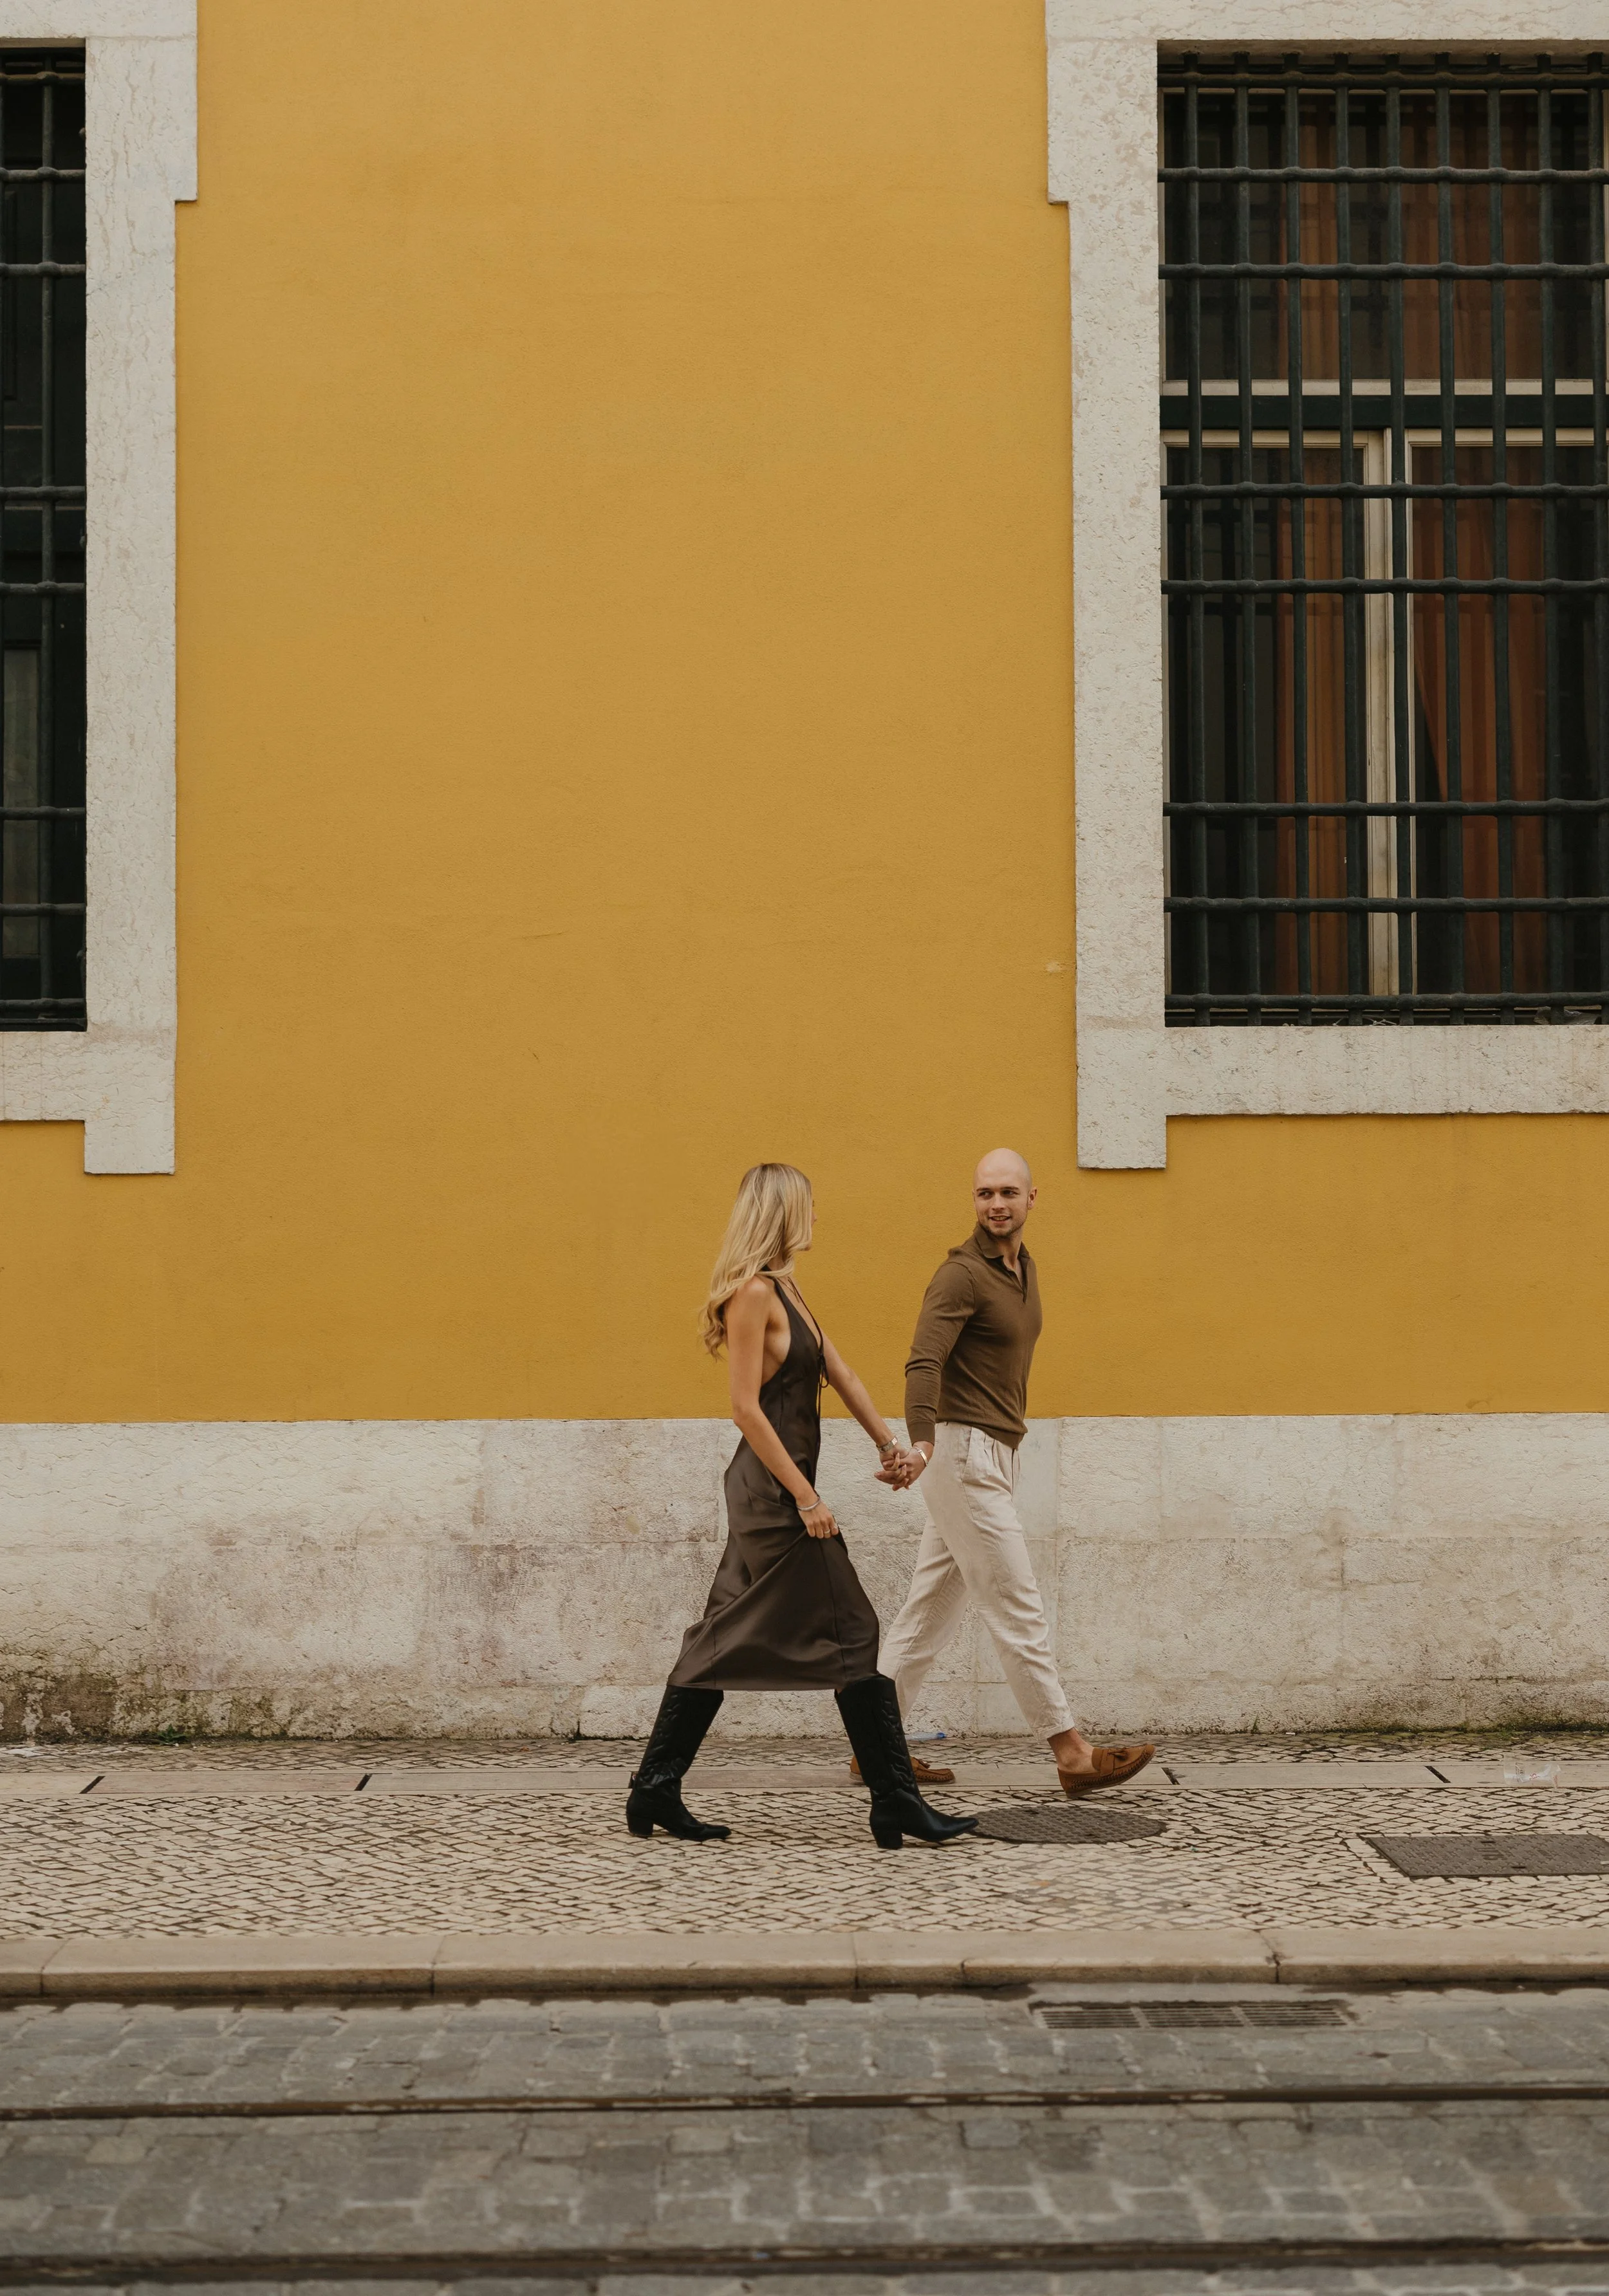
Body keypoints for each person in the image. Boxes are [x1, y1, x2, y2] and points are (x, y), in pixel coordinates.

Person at [627, 1162, 978, 1852]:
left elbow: (837, 1370)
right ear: (784, 1212)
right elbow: (745, 1409)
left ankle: (655, 1787)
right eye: (809, 1208)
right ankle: (895, 1801)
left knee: (716, 1638)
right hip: (772, 1497)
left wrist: (891, 1445)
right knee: (854, 1630)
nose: (817, 1218)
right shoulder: (752, 1294)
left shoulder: (787, 1286)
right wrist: (807, 1496)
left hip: (777, 1490)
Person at [875, 1149, 1155, 1797]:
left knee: (930, 1610)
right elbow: (923, 1362)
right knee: (1016, 1601)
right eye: (982, 1193)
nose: (994, 1203)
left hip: (993, 1453)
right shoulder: (960, 1275)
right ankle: (1072, 1752)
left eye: (1006, 1191)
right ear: (972, 1201)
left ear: (1033, 1198)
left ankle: (876, 1746)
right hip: (960, 1453)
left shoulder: (1022, 1269)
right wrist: (919, 1446)